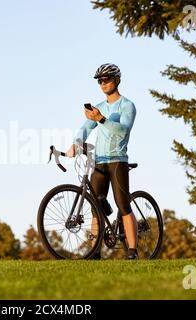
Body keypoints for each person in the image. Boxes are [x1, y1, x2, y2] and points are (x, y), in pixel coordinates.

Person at [66, 63, 138, 260]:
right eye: (100, 81)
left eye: (106, 80)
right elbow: (85, 128)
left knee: (123, 204)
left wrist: (102, 119)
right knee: (95, 207)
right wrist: (76, 144)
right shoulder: (100, 107)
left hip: (117, 160)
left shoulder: (127, 105)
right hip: (100, 161)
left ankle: (132, 250)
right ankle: (94, 252)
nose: (103, 83)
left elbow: (123, 130)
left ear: (117, 80)